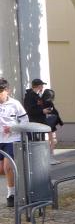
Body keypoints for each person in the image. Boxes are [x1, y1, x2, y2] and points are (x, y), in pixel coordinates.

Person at [0, 78, 29, 207]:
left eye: (0, 92)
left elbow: (25, 120)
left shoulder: (15, 104)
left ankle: (11, 194)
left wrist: (12, 128)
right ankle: (14, 184)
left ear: (7, 91)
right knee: (2, 169)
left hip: (12, 139)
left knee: (8, 167)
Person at [41, 88, 63, 163]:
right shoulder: (48, 103)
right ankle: (50, 157)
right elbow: (53, 112)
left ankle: (49, 157)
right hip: (49, 124)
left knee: (51, 140)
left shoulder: (41, 101)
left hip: (46, 124)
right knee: (53, 140)